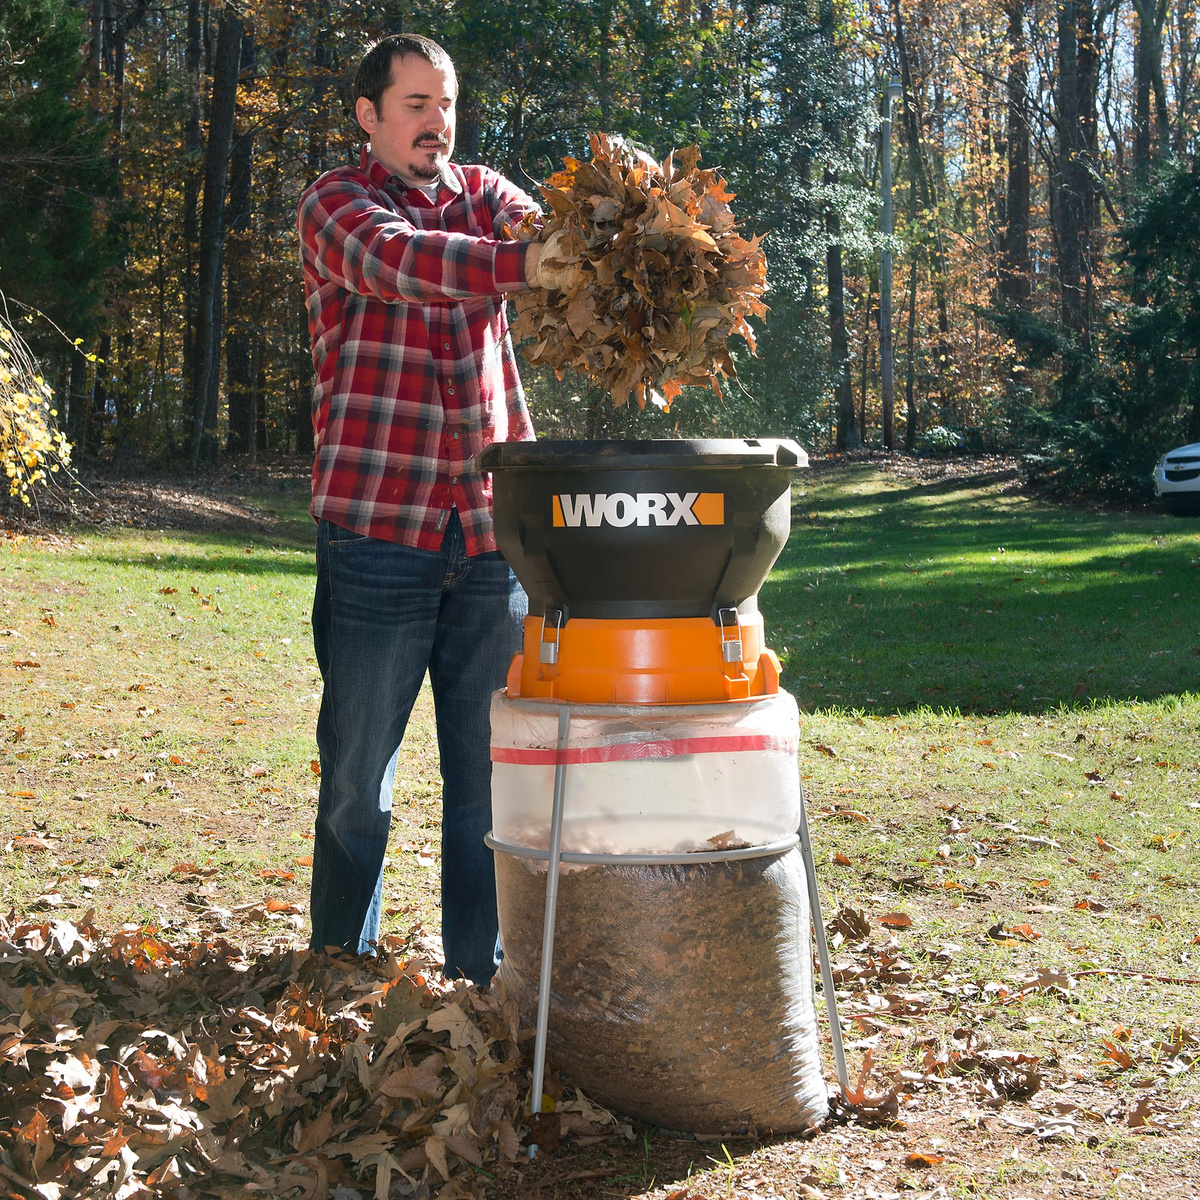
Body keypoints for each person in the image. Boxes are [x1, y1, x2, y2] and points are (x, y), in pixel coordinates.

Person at [296, 33, 568, 983]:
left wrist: (603, 236)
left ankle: (479, 976)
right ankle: (339, 966)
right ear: (369, 116)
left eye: (445, 102)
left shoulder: (489, 195)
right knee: (358, 778)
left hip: (490, 537)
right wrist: (527, 266)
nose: (435, 121)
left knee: (487, 785)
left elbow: (550, 228)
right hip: (379, 533)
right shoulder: (338, 205)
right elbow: (405, 262)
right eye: (414, 103)